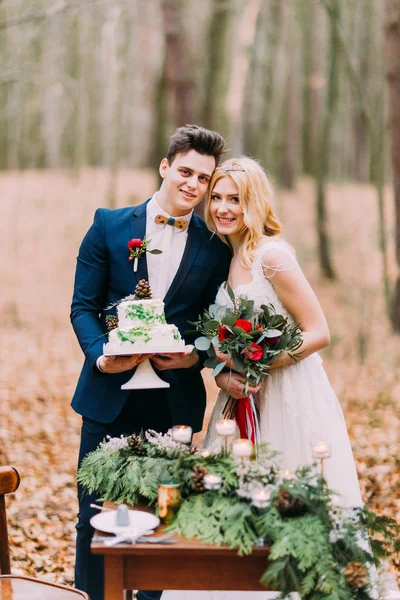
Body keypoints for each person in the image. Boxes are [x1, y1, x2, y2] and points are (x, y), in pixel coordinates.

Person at [160, 156, 365, 600]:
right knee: (232, 523)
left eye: (234, 198)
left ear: (254, 201)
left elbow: (319, 331)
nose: (222, 207)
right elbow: (220, 349)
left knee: (286, 519)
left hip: (287, 399)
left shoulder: (272, 255)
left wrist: (261, 365)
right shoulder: (228, 259)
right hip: (238, 406)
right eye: (216, 197)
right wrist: (224, 377)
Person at [70, 125, 231, 600]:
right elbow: (82, 306)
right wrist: (101, 357)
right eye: (186, 172)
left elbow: (212, 324)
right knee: (94, 519)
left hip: (174, 408)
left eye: (204, 178)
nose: (194, 186)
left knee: (163, 523)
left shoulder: (213, 245)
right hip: (107, 400)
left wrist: (195, 356)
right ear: (165, 167)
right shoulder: (109, 225)